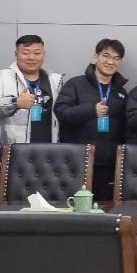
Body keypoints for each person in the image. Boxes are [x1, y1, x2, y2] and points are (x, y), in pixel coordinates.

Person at [0, 34, 64, 193]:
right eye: (25, 52)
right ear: (16, 54)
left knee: (42, 203)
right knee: (5, 203)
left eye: (37, 53)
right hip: (10, 157)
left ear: (43, 54)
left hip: (46, 157)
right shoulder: (2, 77)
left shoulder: (54, 80)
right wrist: (15, 103)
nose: (31, 57)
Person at [55, 38, 129, 201]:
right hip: (77, 162)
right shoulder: (76, 84)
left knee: (105, 208)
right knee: (76, 208)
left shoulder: (121, 92)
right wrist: (91, 110)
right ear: (96, 57)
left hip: (109, 165)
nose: (110, 62)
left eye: (116, 58)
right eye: (106, 56)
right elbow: (61, 112)